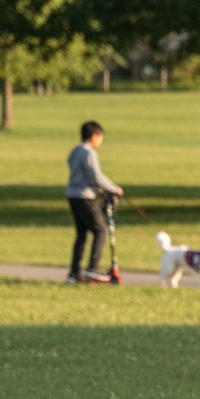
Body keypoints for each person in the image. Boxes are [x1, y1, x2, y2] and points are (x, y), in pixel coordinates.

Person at [65, 121, 124, 283]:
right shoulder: (89, 153)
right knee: (100, 230)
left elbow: (77, 169)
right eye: (100, 138)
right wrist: (113, 188)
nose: (101, 141)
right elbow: (95, 176)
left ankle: (74, 272)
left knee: (81, 234)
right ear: (94, 136)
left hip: (72, 194)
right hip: (85, 196)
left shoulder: (75, 151)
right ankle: (92, 268)